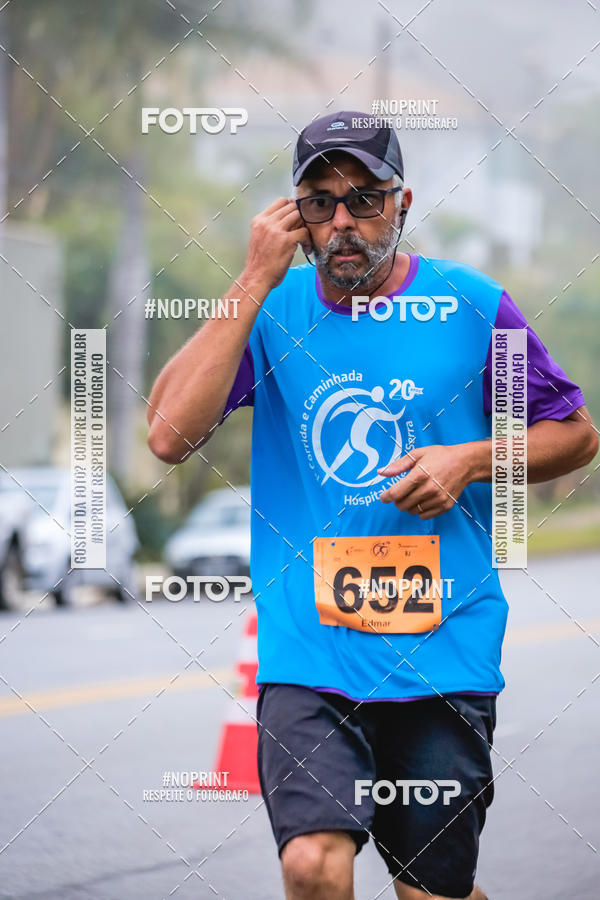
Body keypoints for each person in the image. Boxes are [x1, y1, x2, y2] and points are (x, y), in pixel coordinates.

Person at [147, 110, 598, 899]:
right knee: (312, 863)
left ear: (403, 201)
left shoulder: (472, 305)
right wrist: (253, 280)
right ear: (295, 214)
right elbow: (165, 437)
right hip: (310, 652)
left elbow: (574, 435)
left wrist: (473, 459)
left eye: (365, 198)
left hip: (442, 650)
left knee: (430, 891)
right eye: (320, 202)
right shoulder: (270, 312)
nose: (344, 222)